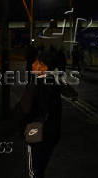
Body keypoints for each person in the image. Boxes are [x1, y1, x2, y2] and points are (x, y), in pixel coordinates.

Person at [17, 50, 62, 178]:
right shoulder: (54, 82)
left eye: (36, 63)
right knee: (41, 166)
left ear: (44, 67)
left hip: (35, 132)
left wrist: (21, 128)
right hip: (52, 132)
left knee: (34, 170)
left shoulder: (35, 85)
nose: (32, 64)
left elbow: (25, 110)